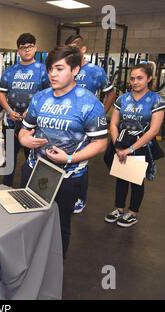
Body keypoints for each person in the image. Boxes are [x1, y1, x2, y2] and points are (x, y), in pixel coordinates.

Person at [19, 46, 108, 258]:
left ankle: (54, 270)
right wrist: (24, 139)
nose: (52, 74)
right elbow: (24, 129)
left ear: (75, 70)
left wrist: (69, 157)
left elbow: (100, 143)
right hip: (34, 168)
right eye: (50, 69)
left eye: (59, 68)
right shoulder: (40, 98)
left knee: (59, 225)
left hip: (66, 176)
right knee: (29, 218)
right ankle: (29, 262)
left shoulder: (89, 103)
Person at [105, 64, 165, 227]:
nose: (135, 81)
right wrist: (118, 146)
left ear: (149, 79)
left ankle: (132, 213)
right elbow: (113, 124)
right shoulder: (122, 98)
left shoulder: (156, 100)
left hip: (141, 144)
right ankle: (118, 208)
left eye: (139, 78)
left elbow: (153, 130)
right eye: (132, 78)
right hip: (122, 141)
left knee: (136, 178)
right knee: (121, 176)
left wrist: (131, 149)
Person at [65, 34, 117, 214]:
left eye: (75, 48)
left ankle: (80, 198)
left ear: (83, 49)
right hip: (66, 122)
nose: (72, 51)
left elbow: (111, 93)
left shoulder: (95, 71)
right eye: (69, 48)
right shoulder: (66, 69)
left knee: (81, 160)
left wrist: (100, 112)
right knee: (63, 157)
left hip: (86, 124)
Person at [0, 33, 50, 187]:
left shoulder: (43, 70)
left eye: (29, 47)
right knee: (10, 157)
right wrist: (8, 110)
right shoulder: (10, 70)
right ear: (18, 51)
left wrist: (32, 111)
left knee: (32, 158)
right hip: (11, 122)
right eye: (22, 48)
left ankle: (29, 191)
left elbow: (48, 94)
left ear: (35, 48)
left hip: (33, 125)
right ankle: (5, 187)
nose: (26, 50)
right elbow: (1, 92)